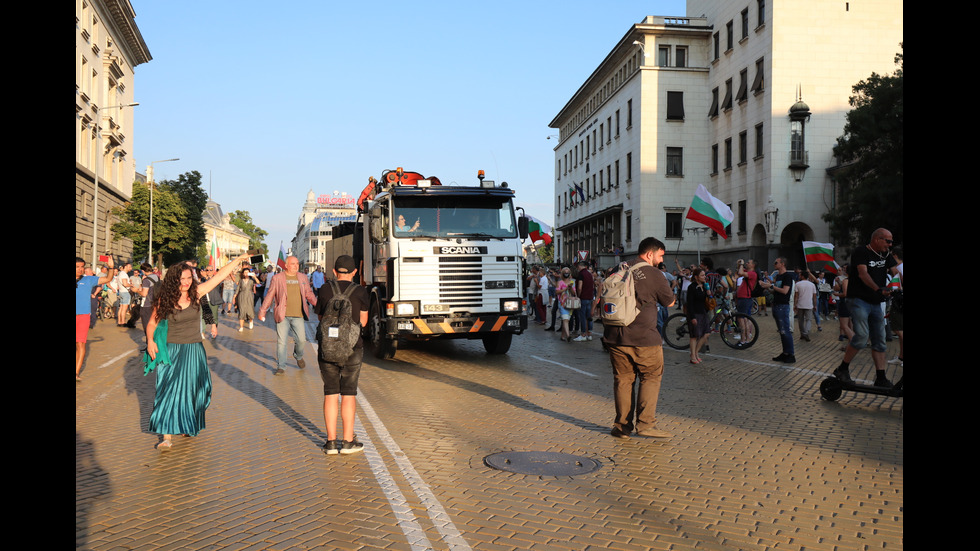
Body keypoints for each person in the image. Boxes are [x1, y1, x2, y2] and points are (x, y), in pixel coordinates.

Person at [145, 254, 249, 450]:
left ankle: (186, 422)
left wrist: (239, 260)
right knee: (167, 391)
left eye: (188, 278)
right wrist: (150, 341)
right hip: (171, 350)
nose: (185, 283)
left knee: (195, 390)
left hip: (194, 350)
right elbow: (152, 323)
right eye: (181, 279)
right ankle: (167, 436)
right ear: (174, 280)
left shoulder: (197, 293)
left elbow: (219, 276)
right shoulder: (165, 300)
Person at [603, 237, 676, 440]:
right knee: (651, 377)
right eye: (661, 255)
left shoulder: (617, 268)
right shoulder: (655, 274)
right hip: (644, 338)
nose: (661, 260)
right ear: (650, 253)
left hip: (615, 336)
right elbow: (670, 302)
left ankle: (622, 427)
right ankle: (646, 425)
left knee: (623, 381)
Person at [315, 255, 369, 455]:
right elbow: (362, 321)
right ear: (355, 272)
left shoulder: (325, 289)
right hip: (352, 349)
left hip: (327, 348)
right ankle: (347, 442)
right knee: (348, 394)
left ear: (334, 271)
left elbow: (320, 317)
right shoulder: (360, 291)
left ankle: (330, 442)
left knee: (330, 393)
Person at [833, 229, 898, 387]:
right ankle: (842, 369)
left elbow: (896, 272)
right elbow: (863, 274)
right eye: (887, 241)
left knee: (880, 341)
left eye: (891, 241)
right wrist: (878, 289)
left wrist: (897, 285)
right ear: (877, 239)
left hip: (876, 302)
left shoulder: (886, 254)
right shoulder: (861, 252)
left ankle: (881, 377)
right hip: (859, 299)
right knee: (862, 336)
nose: (890, 244)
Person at [259, 256, 318, 375]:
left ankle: (298, 355)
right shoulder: (277, 278)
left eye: (297, 264)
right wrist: (262, 310)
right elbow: (270, 295)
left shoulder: (302, 277)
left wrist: (319, 305)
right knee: (282, 342)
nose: (296, 266)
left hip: (298, 315)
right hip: (282, 315)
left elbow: (309, 294)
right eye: (292, 264)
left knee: (301, 340)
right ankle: (281, 366)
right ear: (286, 265)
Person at [76, 256, 116, 381]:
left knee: (81, 344)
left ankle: (76, 373)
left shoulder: (89, 280)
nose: (80, 269)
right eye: (77, 267)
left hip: (83, 316)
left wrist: (110, 267)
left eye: (82, 267)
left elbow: (109, 278)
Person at [762, 257, 795, 363]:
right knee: (782, 331)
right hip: (776, 305)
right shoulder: (778, 276)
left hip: (783, 306)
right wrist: (767, 287)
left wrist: (771, 285)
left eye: (776, 263)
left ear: (783, 264)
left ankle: (790, 354)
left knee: (785, 331)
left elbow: (785, 291)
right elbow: (775, 291)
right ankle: (785, 353)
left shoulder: (787, 276)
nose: (774, 264)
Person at [685, 267, 711, 364]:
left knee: (707, 333)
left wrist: (708, 293)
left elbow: (705, 299)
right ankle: (693, 356)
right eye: (702, 275)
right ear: (696, 277)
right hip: (695, 313)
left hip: (703, 312)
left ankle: (695, 352)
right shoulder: (692, 287)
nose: (704, 277)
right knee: (694, 336)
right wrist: (692, 317)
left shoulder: (704, 286)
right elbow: (690, 303)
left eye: (704, 275)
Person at [887, 248, 904, 367]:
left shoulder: (899, 268)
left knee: (899, 331)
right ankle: (901, 357)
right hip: (899, 301)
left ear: (895, 256)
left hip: (900, 303)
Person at [735, 259, 758, 344]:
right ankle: (747, 339)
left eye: (749, 263)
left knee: (741, 319)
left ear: (753, 265)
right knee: (745, 319)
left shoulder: (752, 273)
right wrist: (739, 264)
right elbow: (738, 272)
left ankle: (743, 340)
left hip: (744, 298)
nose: (747, 264)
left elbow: (740, 273)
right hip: (745, 298)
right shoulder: (748, 272)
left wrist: (742, 264)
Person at [573, 261, 596, 341]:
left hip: (583, 297)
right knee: (589, 316)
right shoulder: (590, 274)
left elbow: (579, 287)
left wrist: (578, 296)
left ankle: (583, 334)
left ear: (580, 266)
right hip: (590, 297)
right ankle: (589, 334)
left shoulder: (581, 274)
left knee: (582, 316)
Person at [794, 270, 818, 342]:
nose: (799, 276)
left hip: (800, 304)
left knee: (800, 320)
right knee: (809, 319)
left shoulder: (798, 284)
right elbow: (814, 296)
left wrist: (795, 305)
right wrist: (815, 305)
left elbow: (796, 296)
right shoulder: (812, 285)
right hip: (809, 304)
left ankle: (802, 333)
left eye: (800, 275)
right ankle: (805, 332)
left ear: (802, 276)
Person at [235, 267, 260, 332]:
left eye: (247, 272)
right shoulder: (240, 280)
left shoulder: (252, 280)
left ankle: (251, 321)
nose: (246, 273)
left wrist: (255, 277)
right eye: (245, 272)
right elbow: (238, 288)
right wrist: (234, 296)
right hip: (242, 296)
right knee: (242, 310)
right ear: (243, 273)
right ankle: (241, 327)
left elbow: (258, 283)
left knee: (249, 310)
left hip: (249, 296)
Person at [556, 267, 577, 342]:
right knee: (565, 319)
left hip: (570, 303)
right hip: (562, 303)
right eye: (565, 272)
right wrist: (565, 289)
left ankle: (562, 336)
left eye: (567, 272)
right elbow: (557, 292)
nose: (566, 273)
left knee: (566, 320)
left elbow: (574, 293)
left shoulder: (572, 282)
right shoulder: (560, 282)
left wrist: (570, 288)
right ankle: (568, 335)